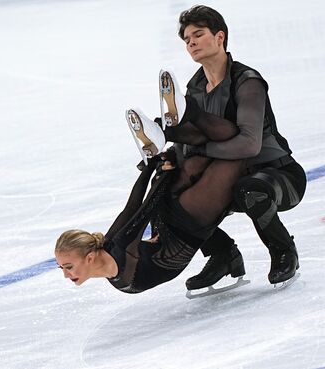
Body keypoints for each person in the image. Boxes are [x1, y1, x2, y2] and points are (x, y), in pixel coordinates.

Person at [165, 5, 306, 289]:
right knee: (168, 191)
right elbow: (195, 138)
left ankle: (283, 251)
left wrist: (201, 153)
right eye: (186, 38)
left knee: (249, 190)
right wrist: (170, 158)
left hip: (278, 176)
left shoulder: (247, 81)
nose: (190, 42)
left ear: (220, 37)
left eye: (198, 34)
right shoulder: (195, 87)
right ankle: (222, 255)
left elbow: (249, 144)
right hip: (232, 177)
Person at [54, 97, 245, 293]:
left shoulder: (119, 249)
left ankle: (181, 118)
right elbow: (132, 209)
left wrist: (157, 172)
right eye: (62, 267)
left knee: (233, 153)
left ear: (90, 258)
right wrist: (152, 169)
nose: (65, 275)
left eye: (69, 266)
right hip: (171, 224)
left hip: (188, 225)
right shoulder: (111, 247)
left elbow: (142, 210)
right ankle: (166, 132)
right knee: (203, 157)